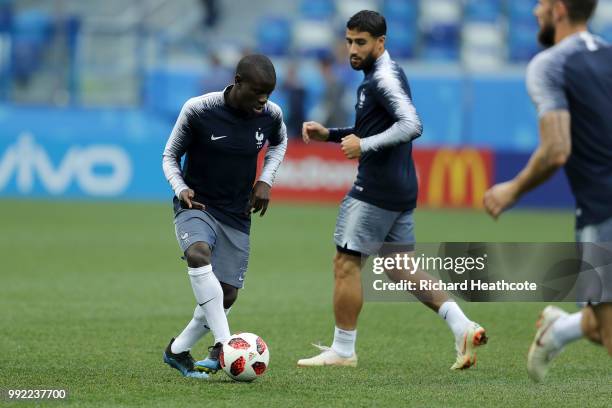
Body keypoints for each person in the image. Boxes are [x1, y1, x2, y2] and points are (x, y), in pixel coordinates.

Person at [297, 10, 487, 370]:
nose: (352, 49)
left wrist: (364, 146)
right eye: (349, 41)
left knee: (346, 264)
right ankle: (462, 326)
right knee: (402, 268)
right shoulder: (382, 75)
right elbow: (373, 125)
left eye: (361, 42)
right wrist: (333, 135)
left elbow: (412, 124)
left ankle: (343, 349)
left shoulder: (381, 79)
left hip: (375, 189)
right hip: (400, 187)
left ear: (380, 42)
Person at [483, 0, 612, 382]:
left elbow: (557, 149)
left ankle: (557, 330)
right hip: (603, 211)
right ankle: (559, 330)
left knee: (605, 327)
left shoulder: (549, 64)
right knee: (605, 327)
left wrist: (512, 190)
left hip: (602, 211)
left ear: (557, 9)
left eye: (540, 3)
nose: (535, 11)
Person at [161, 54, 287, 379]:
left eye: (269, 93)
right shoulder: (199, 110)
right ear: (237, 81)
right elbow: (170, 155)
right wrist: (180, 188)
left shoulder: (270, 114)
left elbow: (279, 144)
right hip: (197, 205)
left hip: (237, 212)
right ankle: (224, 345)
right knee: (198, 255)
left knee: (226, 293)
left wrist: (265, 180)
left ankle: (177, 351)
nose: (263, 100)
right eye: (257, 91)